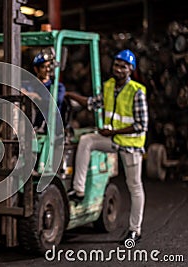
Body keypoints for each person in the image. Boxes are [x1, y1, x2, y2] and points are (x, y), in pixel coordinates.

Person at [65, 49, 148, 243]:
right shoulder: (109, 86)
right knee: (87, 140)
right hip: (113, 139)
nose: (118, 69)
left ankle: (135, 230)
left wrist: (112, 132)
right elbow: (93, 103)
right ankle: (79, 190)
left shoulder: (136, 91)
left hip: (131, 145)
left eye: (124, 66)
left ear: (131, 70)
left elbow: (141, 125)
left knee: (134, 186)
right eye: (117, 65)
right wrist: (70, 94)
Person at [21, 51, 66, 133]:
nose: (47, 70)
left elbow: (53, 103)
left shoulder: (57, 87)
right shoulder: (29, 85)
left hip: (51, 128)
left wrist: (36, 98)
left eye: (49, 66)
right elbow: (18, 92)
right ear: (36, 69)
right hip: (31, 127)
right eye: (43, 67)